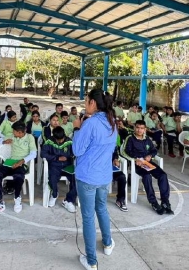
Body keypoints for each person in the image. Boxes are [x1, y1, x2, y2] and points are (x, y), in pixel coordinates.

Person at [72, 89, 116, 269]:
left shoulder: (89, 124)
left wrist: (76, 128)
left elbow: (76, 150)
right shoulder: (112, 122)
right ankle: (107, 243)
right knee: (102, 208)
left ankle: (91, 261)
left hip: (88, 177)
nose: (84, 104)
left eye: (86, 100)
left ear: (93, 103)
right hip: (104, 176)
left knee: (88, 217)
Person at [123, 120, 173, 215]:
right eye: (137, 127)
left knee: (163, 175)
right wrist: (135, 159)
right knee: (147, 176)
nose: (139, 130)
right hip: (137, 164)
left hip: (148, 163)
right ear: (134, 127)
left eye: (142, 128)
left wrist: (150, 155)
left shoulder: (147, 139)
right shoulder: (130, 138)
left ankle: (165, 201)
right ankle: (153, 202)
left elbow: (154, 150)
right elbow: (125, 151)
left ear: (145, 129)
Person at [0, 121, 36, 217]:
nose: (13, 133)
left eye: (14, 131)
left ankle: (17, 198)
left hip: (22, 164)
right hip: (10, 162)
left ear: (20, 132)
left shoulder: (29, 138)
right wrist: (3, 141)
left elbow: (33, 154)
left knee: (19, 176)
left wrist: (21, 161)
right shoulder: (12, 136)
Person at [41, 126, 77, 212]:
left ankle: (69, 200)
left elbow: (75, 153)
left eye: (62, 139)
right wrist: (57, 158)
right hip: (55, 165)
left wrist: (69, 157)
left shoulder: (69, 141)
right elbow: (43, 154)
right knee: (52, 178)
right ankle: (54, 194)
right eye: (58, 140)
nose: (61, 141)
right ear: (54, 137)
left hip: (67, 165)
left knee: (77, 179)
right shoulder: (49, 141)